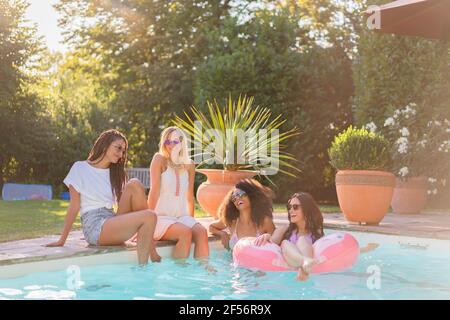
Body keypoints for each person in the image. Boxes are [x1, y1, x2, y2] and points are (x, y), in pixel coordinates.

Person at [46, 129, 161, 265]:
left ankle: (147, 257)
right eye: (118, 148)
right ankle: (146, 264)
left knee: (134, 184)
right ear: (105, 144)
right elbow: (74, 206)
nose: (120, 154)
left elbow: (126, 205)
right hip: (95, 227)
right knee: (149, 216)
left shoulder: (116, 174)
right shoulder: (80, 168)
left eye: (123, 151)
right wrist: (62, 240)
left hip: (111, 221)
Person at [255, 192, 379, 281]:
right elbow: (272, 243)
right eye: (289, 207)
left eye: (295, 207)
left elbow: (333, 251)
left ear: (307, 209)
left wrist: (363, 249)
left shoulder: (316, 234)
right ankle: (304, 262)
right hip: (292, 261)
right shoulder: (285, 230)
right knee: (285, 243)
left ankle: (306, 265)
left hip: (308, 265)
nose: (291, 211)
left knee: (303, 240)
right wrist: (266, 235)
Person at [147, 126, 209, 259]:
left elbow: (189, 197)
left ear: (182, 143)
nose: (170, 145)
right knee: (185, 233)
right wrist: (147, 224)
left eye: (175, 141)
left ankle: (205, 269)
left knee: (202, 232)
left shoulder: (189, 165)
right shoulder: (159, 159)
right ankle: (180, 273)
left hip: (181, 217)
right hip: (161, 218)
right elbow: (154, 193)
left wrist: (192, 220)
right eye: (167, 141)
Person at [209, 179, 275, 251]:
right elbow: (211, 227)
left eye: (240, 194)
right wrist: (222, 234)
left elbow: (276, 245)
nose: (237, 198)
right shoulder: (232, 221)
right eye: (234, 197)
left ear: (251, 195)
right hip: (232, 262)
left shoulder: (265, 221)